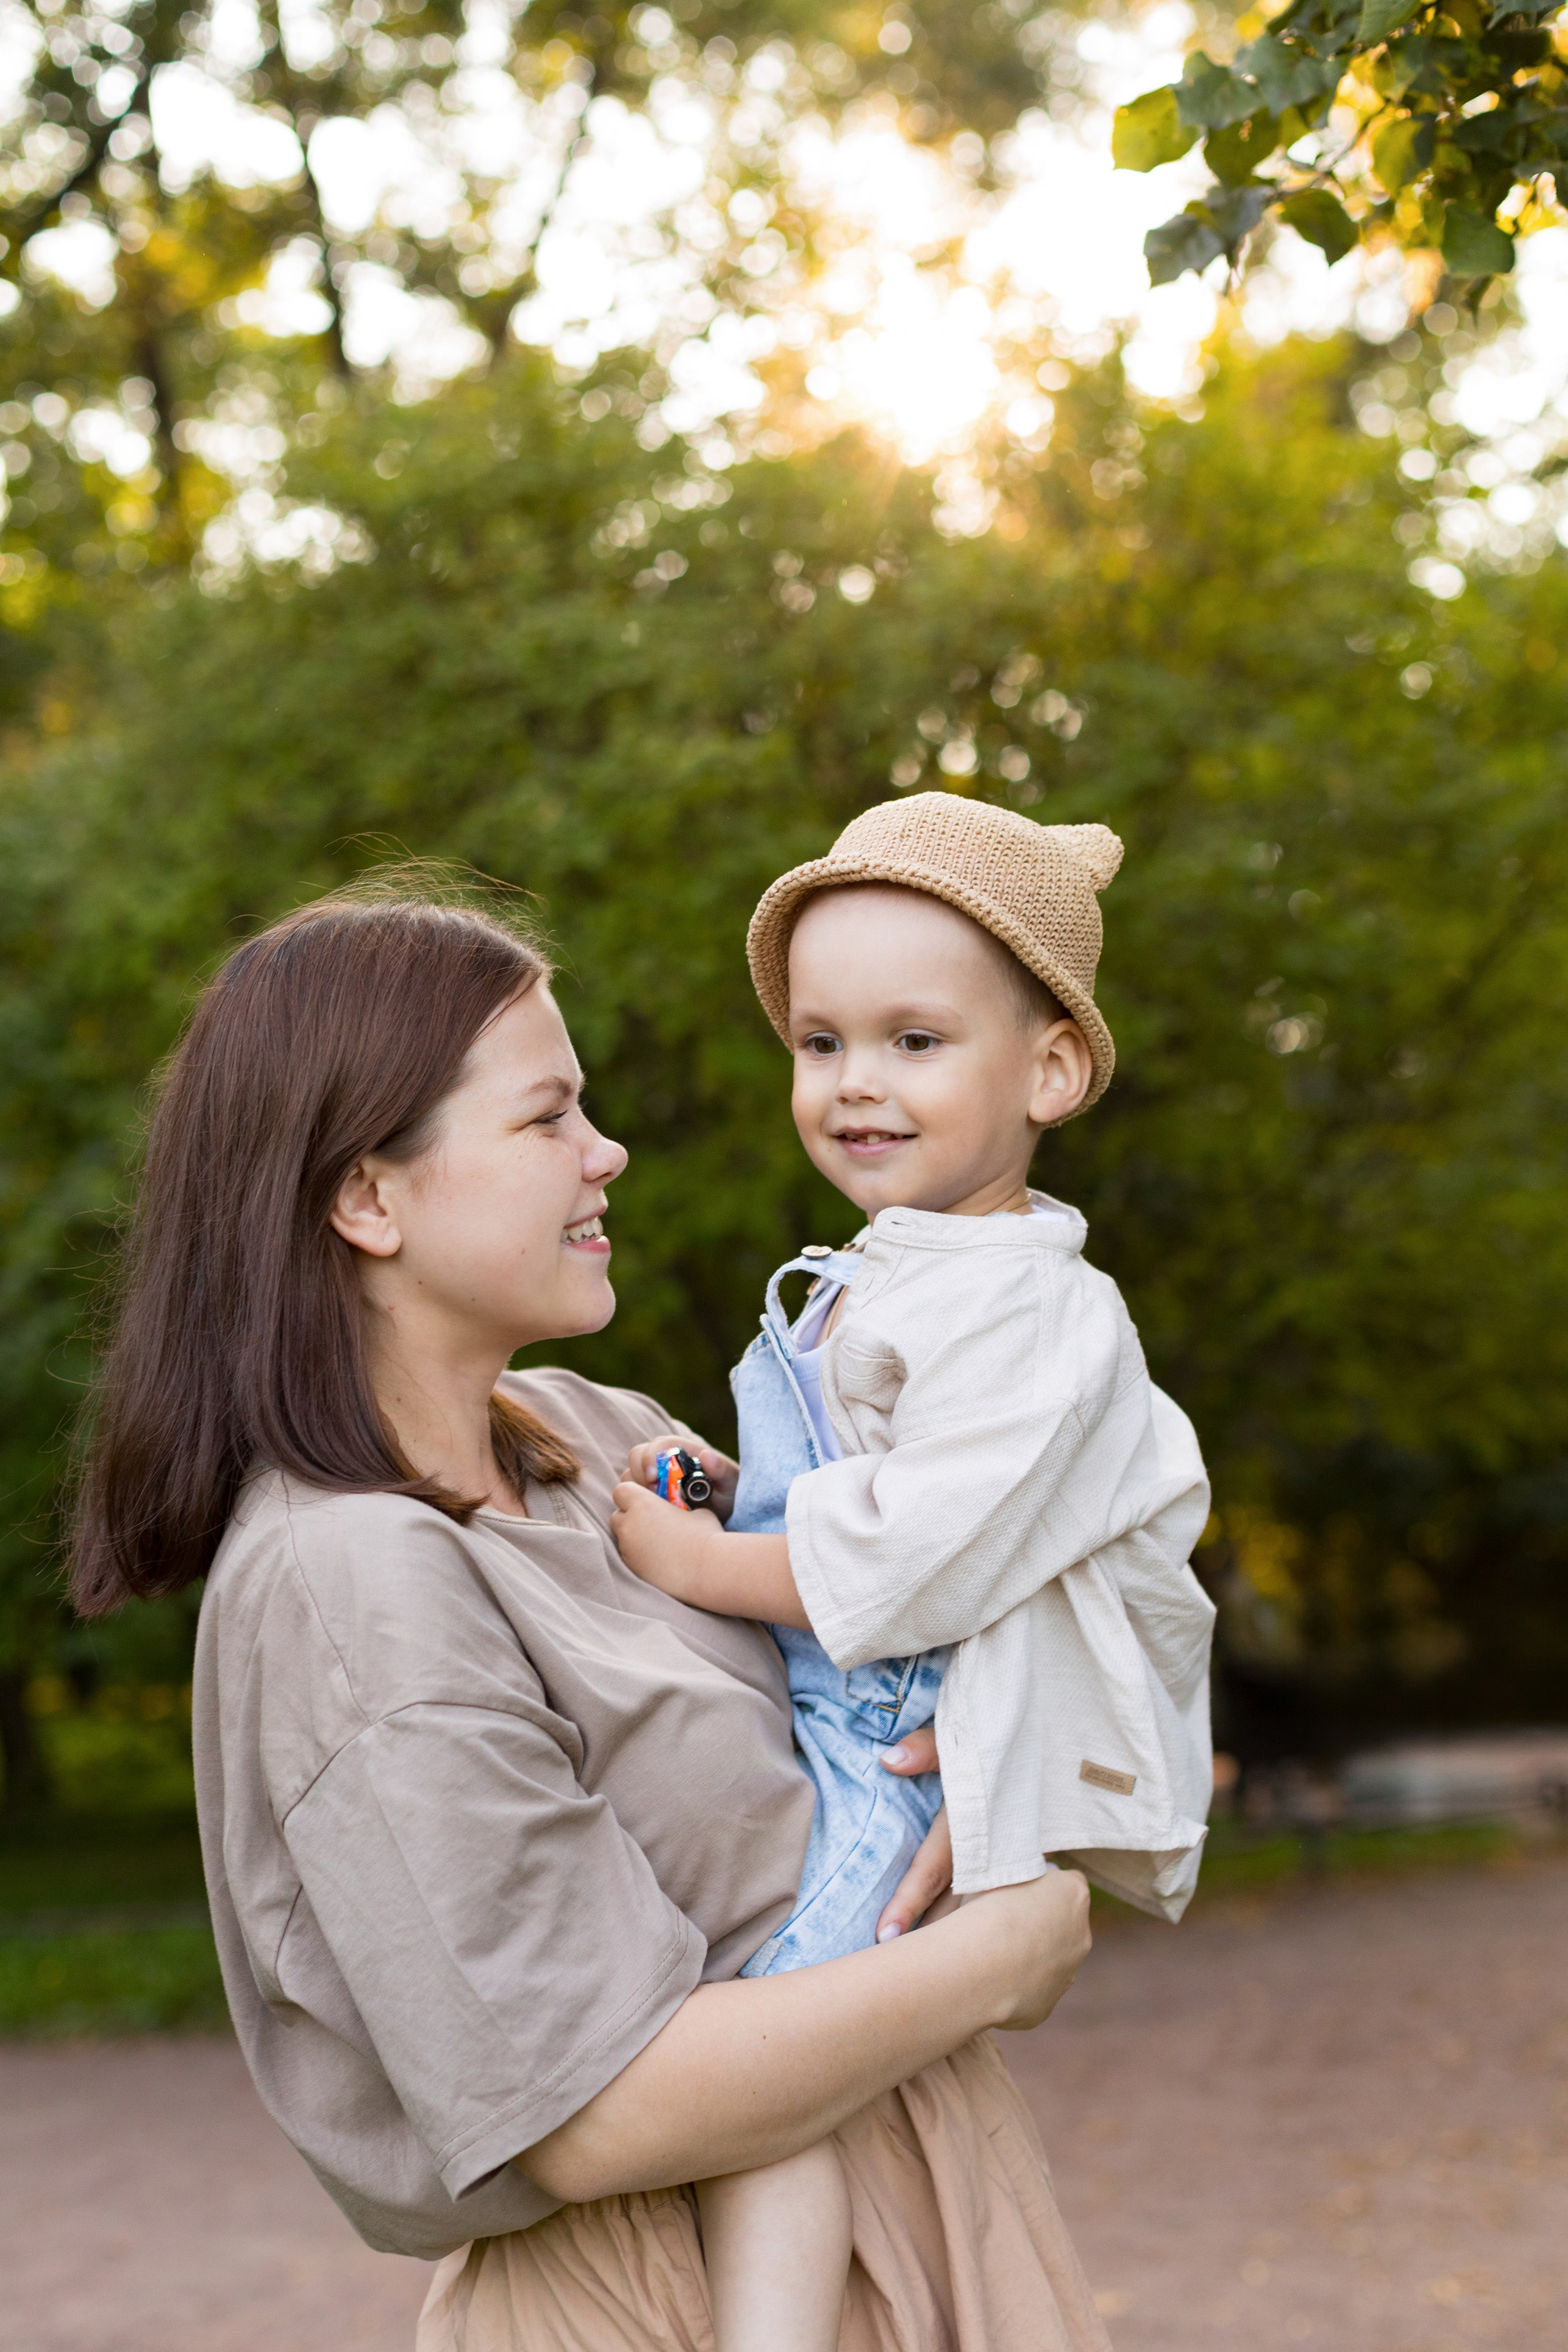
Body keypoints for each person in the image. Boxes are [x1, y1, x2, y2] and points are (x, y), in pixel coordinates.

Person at [69, 877, 1111, 2352]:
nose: (604, 1152)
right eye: (546, 1117)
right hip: (670, 2299)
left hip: (926, 2209)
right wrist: (1007, 1947)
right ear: (366, 1197)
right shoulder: (352, 1584)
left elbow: (901, 1621)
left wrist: (993, 1732)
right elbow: (592, 2113)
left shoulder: (584, 1435)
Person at [612, 795, 1215, 2352]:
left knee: (775, 2039)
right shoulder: (906, 1269)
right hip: (850, 1685)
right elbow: (873, 1497)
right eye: (820, 1044)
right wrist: (745, 1500)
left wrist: (695, 1556)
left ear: (1052, 1070)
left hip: (902, 1719)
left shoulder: (1031, 1312)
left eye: (912, 1042)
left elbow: (913, 1552)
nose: (853, 1085)